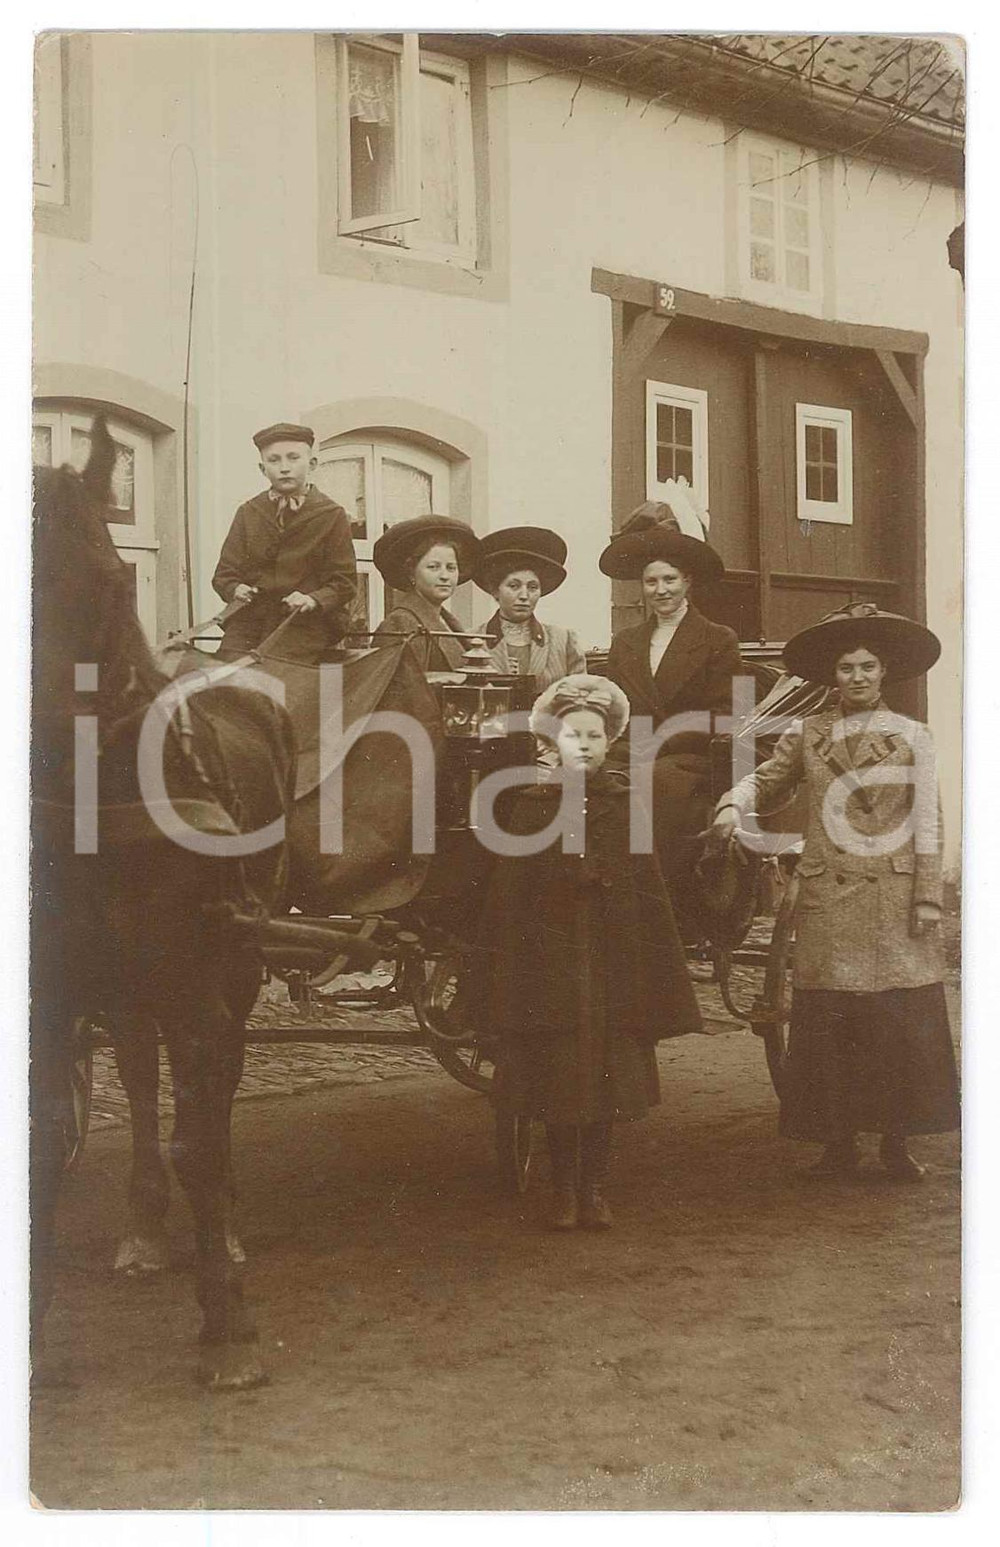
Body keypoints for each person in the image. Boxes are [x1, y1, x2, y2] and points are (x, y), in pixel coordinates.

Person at [710, 603, 959, 1180]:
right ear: (833, 675)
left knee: (896, 1022)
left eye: (868, 667)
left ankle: (896, 1144)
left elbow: (929, 818)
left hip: (894, 897)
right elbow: (766, 778)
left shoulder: (913, 737)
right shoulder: (809, 733)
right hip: (829, 899)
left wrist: (928, 894)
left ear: (884, 671)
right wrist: (732, 803)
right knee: (832, 1022)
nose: (857, 677)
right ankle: (838, 1144)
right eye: (847, 668)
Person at [475, 675, 702, 1230]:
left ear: (609, 742)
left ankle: (594, 1187)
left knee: (605, 1083)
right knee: (559, 1083)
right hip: (553, 970)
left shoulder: (623, 805)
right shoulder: (531, 807)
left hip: (609, 968)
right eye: (572, 735)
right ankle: (563, 1191)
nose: (583, 745)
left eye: (594, 736)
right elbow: (513, 898)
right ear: (551, 742)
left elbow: (646, 894)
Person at [600, 501, 742, 916]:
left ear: (687, 581)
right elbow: (613, 707)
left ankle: (659, 910)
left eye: (669, 579)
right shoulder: (625, 642)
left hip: (689, 760)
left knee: (655, 785)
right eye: (651, 581)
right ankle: (600, 903)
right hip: (630, 750)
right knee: (586, 785)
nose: (660, 590)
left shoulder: (718, 639)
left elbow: (726, 712)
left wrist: (664, 739)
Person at [212, 422, 357, 662]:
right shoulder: (249, 512)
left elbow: (345, 583)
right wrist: (234, 588)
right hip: (250, 620)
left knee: (273, 671)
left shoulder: (331, 514)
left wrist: (312, 599)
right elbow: (224, 574)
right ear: (263, 468)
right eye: (274, 460)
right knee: (225, 671)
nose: (284, 468)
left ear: (312, 464)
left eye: (293, 458)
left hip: (305, 623)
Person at [474, 526, 586, 691]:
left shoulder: (563, 640)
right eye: (514, 586)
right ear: (495, 590)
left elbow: (582, 697)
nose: (524, 595)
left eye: (532, 587)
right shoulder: (473, 640)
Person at [371, 515, 483, 670]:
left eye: (451, 568)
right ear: (411, 572)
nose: (444, 576)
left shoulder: (447, 621)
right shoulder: (400, 623)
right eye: (433, 567)